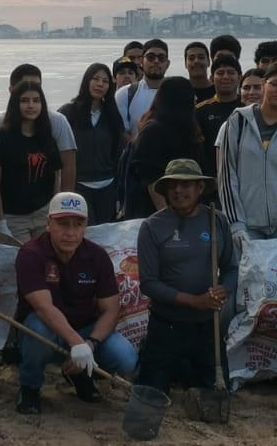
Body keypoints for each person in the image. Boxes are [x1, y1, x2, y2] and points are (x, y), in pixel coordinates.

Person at [13, 192, 138, 413]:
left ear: (86, 226)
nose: (70, 233)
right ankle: (30, 387)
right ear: (48, 223)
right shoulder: (31, 254)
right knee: (38, 330)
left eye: (77, 224)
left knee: (125, 357)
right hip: (44, 331)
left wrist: (89, 343)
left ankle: (80, 374)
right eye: (63, 224)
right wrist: (76, 343)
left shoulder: (97, 256)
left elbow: (111, 309)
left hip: (84, 329)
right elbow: (44, 307)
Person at [135, 159, 238, 400]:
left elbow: (231, 268)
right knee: (150, 396)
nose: (178, 191)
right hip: (165, 326)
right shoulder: (152, 227)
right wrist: (193, 301)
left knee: (218, 398)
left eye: (186, 184)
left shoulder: (217, 220)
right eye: (172, 186)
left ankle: (186, 371)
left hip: (207, 327)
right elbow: (148, 283)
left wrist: (225, 289)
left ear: (200, 188)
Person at [217, 62, 277, 240]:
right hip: (247, 222)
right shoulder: (238, 121)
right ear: (263, 85)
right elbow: (226, 176)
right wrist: (235, 222)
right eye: (275, 84)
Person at [126, 76, 211, 219]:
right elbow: (150, 177)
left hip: (185, 207)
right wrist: (166, 215)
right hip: (156, 211)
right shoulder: (153, 131)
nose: (195, 100)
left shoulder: (187, 129)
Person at [60, 62, 126, 224]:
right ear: (86, 81)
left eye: (105, 81)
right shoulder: (68, 113)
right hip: (79, 187)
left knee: (104, 235)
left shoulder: (112, 115)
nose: (100, 84)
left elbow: (118, 154)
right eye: (95, 79)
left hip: (107, 188)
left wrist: (119, 191)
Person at [0, 79, 63, 240]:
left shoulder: (47, 137)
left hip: (43, 213)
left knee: (44, 261)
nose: (31, 105)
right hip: (13, 217)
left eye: (36, 101)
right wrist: (0, 221)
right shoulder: (3, 137)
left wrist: (54, 212)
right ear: (15, 104)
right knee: (23, 261)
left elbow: (57, 176)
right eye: (24, 101)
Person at [6, 64, 77, 192]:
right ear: (12, 90)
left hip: (45, 204)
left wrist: (64, 203)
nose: (31, 90)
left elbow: (68, 166)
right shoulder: (0, 123)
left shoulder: (57, 121)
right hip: (9, 207)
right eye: (25, 86)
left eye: (37, 87)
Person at [115, 38, 169, 132]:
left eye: (161, 58)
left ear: (167, 64)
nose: (156, 61)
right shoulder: (125, 94)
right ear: (141, 61)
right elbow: (122, 133)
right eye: (150, 57)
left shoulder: (178, 94)